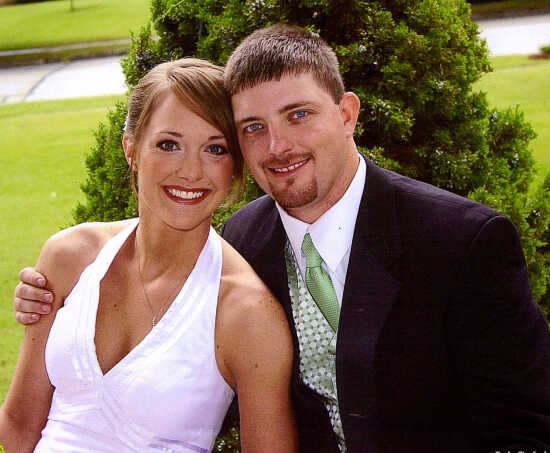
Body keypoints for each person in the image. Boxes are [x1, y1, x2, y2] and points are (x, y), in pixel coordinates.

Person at [13, 25, 550, 453]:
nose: (277, 146)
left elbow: (527, 427)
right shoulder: (245, 240)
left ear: (347, 114)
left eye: (298, 115)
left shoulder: (462, 242)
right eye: (252, 127)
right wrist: (48, 296)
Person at [1, 57, 298, 453]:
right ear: (131, 149)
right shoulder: (70, 257)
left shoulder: (245, 312)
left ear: (235, 167)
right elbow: (19, 424)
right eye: (169, 144)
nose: (191, 171)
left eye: (215, 149)